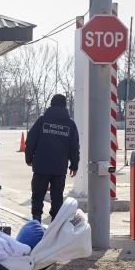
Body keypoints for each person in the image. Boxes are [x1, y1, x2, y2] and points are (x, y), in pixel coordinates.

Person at [25, 94, 79, 222]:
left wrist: (29, 158)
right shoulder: (70, 124)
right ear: (65, 105)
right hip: (59, 168)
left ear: (51, 104)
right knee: (57, 196)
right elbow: (74, 146)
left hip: (41, 166)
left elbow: (31, 141)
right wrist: (74, 165)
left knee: (37, 195)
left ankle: (36, 220)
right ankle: (55, 224)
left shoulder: (42, 121)